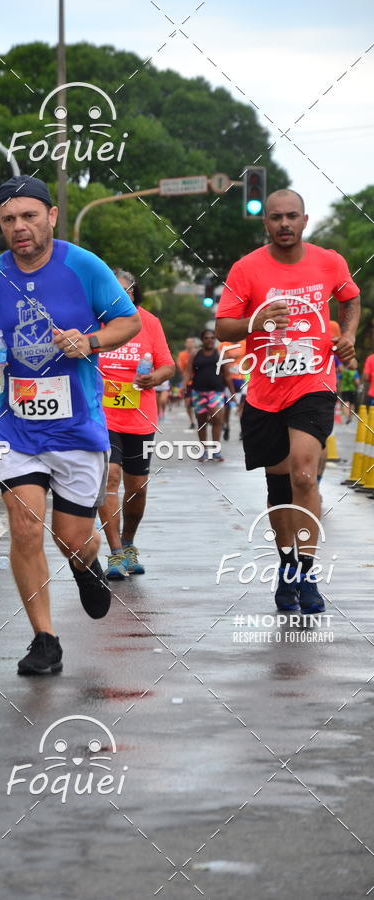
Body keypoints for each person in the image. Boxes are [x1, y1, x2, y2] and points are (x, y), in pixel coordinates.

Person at [0, 175, 141, 675]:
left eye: (29, 216)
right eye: (9, 219)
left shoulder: (83, 267)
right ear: (0, 224)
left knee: (71, 538)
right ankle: (44, 640)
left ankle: (86, 567)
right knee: (23, 526)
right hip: (18, 427)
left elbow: (129, 322)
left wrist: (91, 342)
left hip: (78, 427)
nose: (20, 227)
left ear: (52, 216)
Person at [215, 189, 360, 614]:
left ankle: (309, 572)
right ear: (266, 224)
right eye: (276, 217)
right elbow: (224, 327)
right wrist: (254, 321)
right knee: (279, 487)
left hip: (313, 384)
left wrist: (347, 335)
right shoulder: (246, 269)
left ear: (304, 219)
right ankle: (287, 566)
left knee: (304, 475)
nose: (284, 224)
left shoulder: (328, 261)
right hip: (265, 390)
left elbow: (349, 297)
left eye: (291, 216)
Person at [97, 269, 175, 579]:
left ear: (133, 294)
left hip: (139, 416)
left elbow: (167, 365)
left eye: (124, 293)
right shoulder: (95, 320)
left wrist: (154, 377)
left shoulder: (149, 323)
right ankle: (115, 552)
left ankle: (128, 543)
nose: (117, 298)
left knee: (137, 488)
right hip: (102, 416)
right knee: (110, 478)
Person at [185, 329, 235, 461]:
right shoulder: (195, 355)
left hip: (216, 392)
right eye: (207, 338)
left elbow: (227, 376)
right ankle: (203, 451)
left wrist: (232, 392)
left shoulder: (220, 354)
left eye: (212, 338)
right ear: (202, 340)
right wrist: (184, 388)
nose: (210, 340)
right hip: (198, 392)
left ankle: (216, 450)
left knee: (217, 418)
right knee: (201, 421)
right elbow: (188, 372)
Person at [177, 337, 197, 431]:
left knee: (199, 402)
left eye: (191, 342)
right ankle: (192, 421)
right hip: (187, 382)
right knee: (188, 403)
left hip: (198, 381)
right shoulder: (182, 355)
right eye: (188, 342)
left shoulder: (198, 353)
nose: (189, 344)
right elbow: (180, 367)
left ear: (194, 344)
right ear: (185, 344)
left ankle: (204, 417)